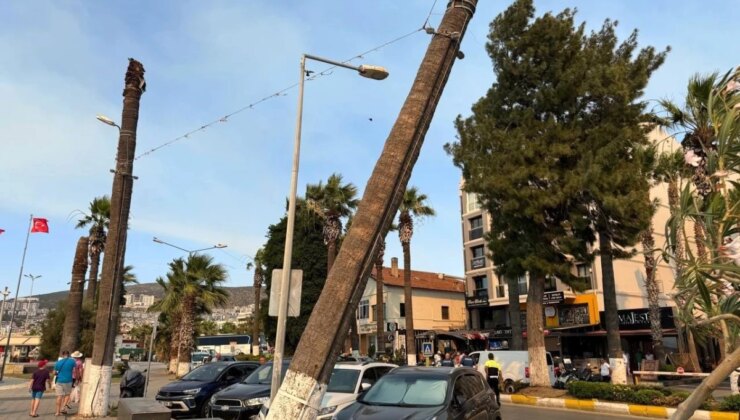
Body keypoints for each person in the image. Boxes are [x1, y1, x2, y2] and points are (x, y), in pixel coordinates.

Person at [54, 350, 76, 416]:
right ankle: (63, 407)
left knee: (59, 396)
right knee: (67, 395)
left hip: (59, 380)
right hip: (68, 380)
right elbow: (75, 370)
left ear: (62, 355)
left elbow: (54, 372)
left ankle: (57, 412)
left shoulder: (58, 362)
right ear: (68, 355)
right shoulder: (72, 361)